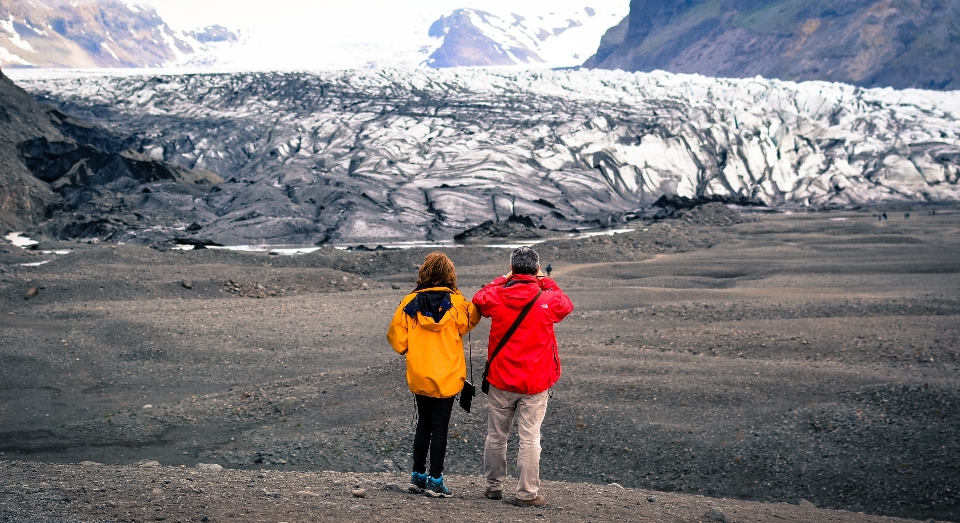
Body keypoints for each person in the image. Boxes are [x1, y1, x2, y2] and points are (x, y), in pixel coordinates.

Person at [472, 246, 574, 507]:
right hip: (535, 382)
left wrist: (503, 278)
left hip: (501, 380)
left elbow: (479, 298)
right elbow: (565, 303)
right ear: (536, 268)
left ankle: (494, 487)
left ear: (513, 267)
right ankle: (526, 493)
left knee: (496, 435)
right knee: (530, 437)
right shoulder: (546, 299)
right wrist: (544, 279)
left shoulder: (497, 295)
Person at [387, 252, 480, 498]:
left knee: (424, 423)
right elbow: (471, 320)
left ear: (424, 272)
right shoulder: (458, 303)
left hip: (420, 373)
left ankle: (417, 476)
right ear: (450, 274)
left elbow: (397, 340)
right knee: (440, 426)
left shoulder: (409, 302)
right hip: (448, 374)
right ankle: (435, 480)